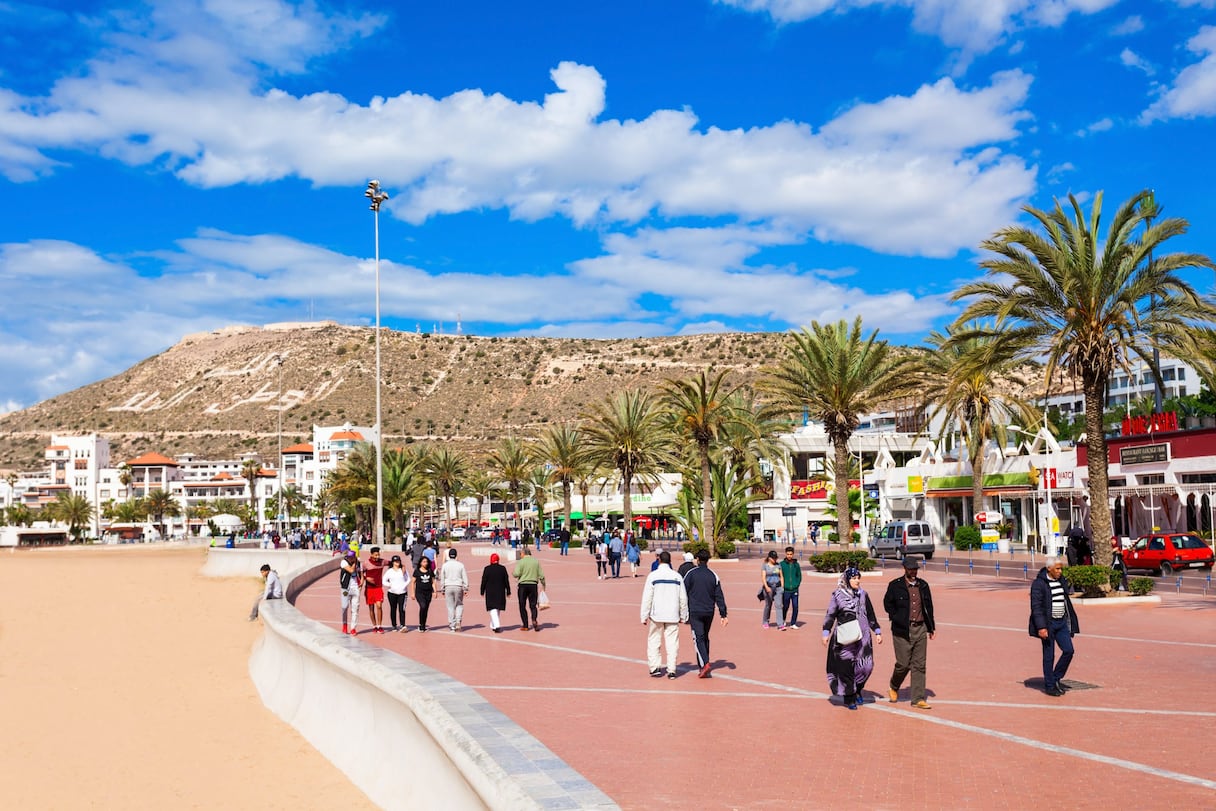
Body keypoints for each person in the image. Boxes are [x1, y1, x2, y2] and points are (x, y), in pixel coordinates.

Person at [821, 566, 883, 709]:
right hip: (845, 638)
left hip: (863, 637)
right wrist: (826, 632)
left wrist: (877, 631)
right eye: (854, 578)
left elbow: (871, 614)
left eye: (858, 578)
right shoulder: (838, 595)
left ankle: (857, 690)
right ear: (847, 579)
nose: (857, 581)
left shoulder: (863, 594)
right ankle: (850, 698)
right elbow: (830, 615)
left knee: (867, 666)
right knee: (846, 668)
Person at [883, 557, 936, 709]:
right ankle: (894, 686)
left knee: (919, 665)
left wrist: (931, 628)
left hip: (920, 629)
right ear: (905, 568)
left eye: (915, 569)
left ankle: (918, 699)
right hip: (902, 630)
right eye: (911, 569)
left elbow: (929, 608)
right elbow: (887, 604)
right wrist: (895, 617)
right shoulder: (895, 585)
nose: (913, 572)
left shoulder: (923, 586)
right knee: (903, 664)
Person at [1029, 557, 1079, 696]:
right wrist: (1041, 627)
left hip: (1061, 622)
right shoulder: (1039, 584)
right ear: (1049, 569)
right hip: (1048, 624)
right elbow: (1036, 607)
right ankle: (1049, 686)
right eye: (1057, 568)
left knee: (1069, 650)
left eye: (1061, 568)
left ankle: (1056, 678)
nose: (1060, 571)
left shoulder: (1061, 581)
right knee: (1049, 656)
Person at [640, 550, 689, 679]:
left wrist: (644, 615)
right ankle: (672, 669)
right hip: (672, 614)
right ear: (670, 561)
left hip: (656, 614)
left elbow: (647, 597)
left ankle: (654, 667)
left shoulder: (653, 576)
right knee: (672, 642)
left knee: (654, 640)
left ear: (659, 560)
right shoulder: (677, 576)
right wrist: (684, 615)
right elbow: (683, 598)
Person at [682, 549, 728, 678]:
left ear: (697, 559)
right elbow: (719, 596)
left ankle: (705, 664)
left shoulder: (691, 574)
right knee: (704, 637)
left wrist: (681, 611)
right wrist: (723, 614)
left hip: (695, 611)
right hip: (709, 611)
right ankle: (703, 665)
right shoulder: (713, 575)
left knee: (698, 638)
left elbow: (683, 592)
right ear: (708, 560)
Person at [513, 546, 546, 632]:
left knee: (522, 605)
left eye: (521, 554)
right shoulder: (536, 561)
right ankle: (534, 619)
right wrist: (543, 585)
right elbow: (541, 575)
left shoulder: (521, 562)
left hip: (523, 585)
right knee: (533, 605)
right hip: (533, 585)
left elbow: (516, 573)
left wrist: (513, 573)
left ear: (523, 553)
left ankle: (525, 625)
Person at [480, 552, 511, 633]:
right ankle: (493, 624)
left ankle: (497, 625)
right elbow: (506, 580)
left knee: (492, 608)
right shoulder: (502, 568)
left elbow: (484, 581)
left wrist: (482, 591)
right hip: (500, 591)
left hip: (490, 592)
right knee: (497, 609)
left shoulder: (487, 569)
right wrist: (508, 591)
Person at [440, 547, 469, 632]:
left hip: (448, 586)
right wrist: (466, 587)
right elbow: (464, 577)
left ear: (449, 556)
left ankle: (452, 624)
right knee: (459, 604)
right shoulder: (460, 565)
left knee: (450, 606)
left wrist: (442, 588)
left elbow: (442, 577)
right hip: (458, 586)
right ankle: (458, 621)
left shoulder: (445, 565)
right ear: (456, 555)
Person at [363, 546, 386, 634]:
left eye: (378, 555)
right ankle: (374, 625)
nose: (377, 557)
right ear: (371, 554)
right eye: (375, 555)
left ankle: (380, 626)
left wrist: (402, 566)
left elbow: (394, 562)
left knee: (379, 606)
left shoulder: (382, 562)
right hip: (369, 588)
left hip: (378, 588)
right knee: (371, 608)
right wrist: (366, 578)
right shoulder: (366, 563)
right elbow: (359, 572)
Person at [384, 555, 409, 632]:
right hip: (392, 593)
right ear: (393, 562)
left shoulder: (403, 570)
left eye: (398, 561)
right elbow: (384, 581)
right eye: (395, 561)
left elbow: (408, 579)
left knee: (402, 609)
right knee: (393, 609)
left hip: (402, 593)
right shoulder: (389, 571)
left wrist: (403, 586)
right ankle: (394, 625)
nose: (397, 562)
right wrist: (390, 585)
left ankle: (402, 625)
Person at [760, 550, 785, 629]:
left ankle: (780, 624)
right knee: (768, 605)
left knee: (779, 605)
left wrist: (782, 587)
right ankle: (765, 621)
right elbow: (763, 577)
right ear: (769, 558)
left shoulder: (778, 565)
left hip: (778, 587)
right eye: (773, 558)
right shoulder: (765, 566)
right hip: (769, 587)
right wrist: (766, 587)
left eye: (776, 558)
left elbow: (781, 576)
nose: (775, 559)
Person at [339, 550, 361, 635]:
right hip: (345, 589)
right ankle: (344, 624)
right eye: (349, 557)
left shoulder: (358, 563)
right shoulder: (343, 562)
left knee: (355, 609)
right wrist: (354, 563)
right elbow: (351, 571)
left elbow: (361, 572)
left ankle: (353, 628)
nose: (350, 558)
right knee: (344, 607)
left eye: (351, 557)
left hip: (355, 588)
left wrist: (361, 581)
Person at [779, 546, 802, 629]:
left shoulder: (796, 564)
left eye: (791, 554)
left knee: (795, 606)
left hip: (795, 590)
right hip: (786, 590)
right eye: (788, 554)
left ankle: (793, 623)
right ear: (785, 554)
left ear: (793, 554)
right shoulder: (781, 564)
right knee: (785, 606)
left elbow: (799, 576)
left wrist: (797, 584)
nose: (789, 556)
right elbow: (779, 576)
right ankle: (783, 620)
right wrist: (782, 586)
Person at [412, 555, 436, 633]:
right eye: (424, 562)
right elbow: (413, 582)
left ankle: (423, 625)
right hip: (419, 592)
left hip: (428, 592)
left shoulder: (430, 571)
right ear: (420, 563)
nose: (425, 563)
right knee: (423, 606)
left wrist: (435, 591)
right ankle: (421, 624)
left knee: (426, 609)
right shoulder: (417, 571)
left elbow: (433, 582)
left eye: (426, 562)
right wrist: (412, 593)